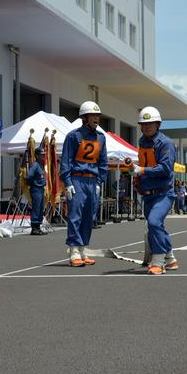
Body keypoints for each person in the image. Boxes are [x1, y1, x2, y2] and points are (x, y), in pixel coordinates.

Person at [128, 106, 178, 275]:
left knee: (154, 222)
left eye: (150, 123)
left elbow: (165, 169)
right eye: (143, 124)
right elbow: (145, 165)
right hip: (147, 193)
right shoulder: (142, 142)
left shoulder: (166, 144)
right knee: (156, 226)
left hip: (163, 193)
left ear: (158, 124)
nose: (146, 127)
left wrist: (142, 170)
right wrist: (136, 175)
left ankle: (158, 261)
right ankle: (170, 258)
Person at [60, 101, 108, 267]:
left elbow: (103, 163)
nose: (96, 118)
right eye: (93, 116)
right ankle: (73, 250)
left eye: (98, 116)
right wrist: (68, 183)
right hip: (77, 179)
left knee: (89, 216)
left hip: (92, 180)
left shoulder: (101, 137)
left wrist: (99, 182)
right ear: (84, 118)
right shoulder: (74, 136)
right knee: (76, 215)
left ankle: (82, 249)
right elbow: (65, 161)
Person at [27, 147, 47, 235]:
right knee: (36, 208)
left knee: (40, 208)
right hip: (36, 189)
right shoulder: (35, 165)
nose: (43, 156)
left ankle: (38, 227)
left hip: (41, 189)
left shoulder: (40, 164)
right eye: (41, 154)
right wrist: (34, 184)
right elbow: (29, 176)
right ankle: (34, 228)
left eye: (44, 154)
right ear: (37, 155)